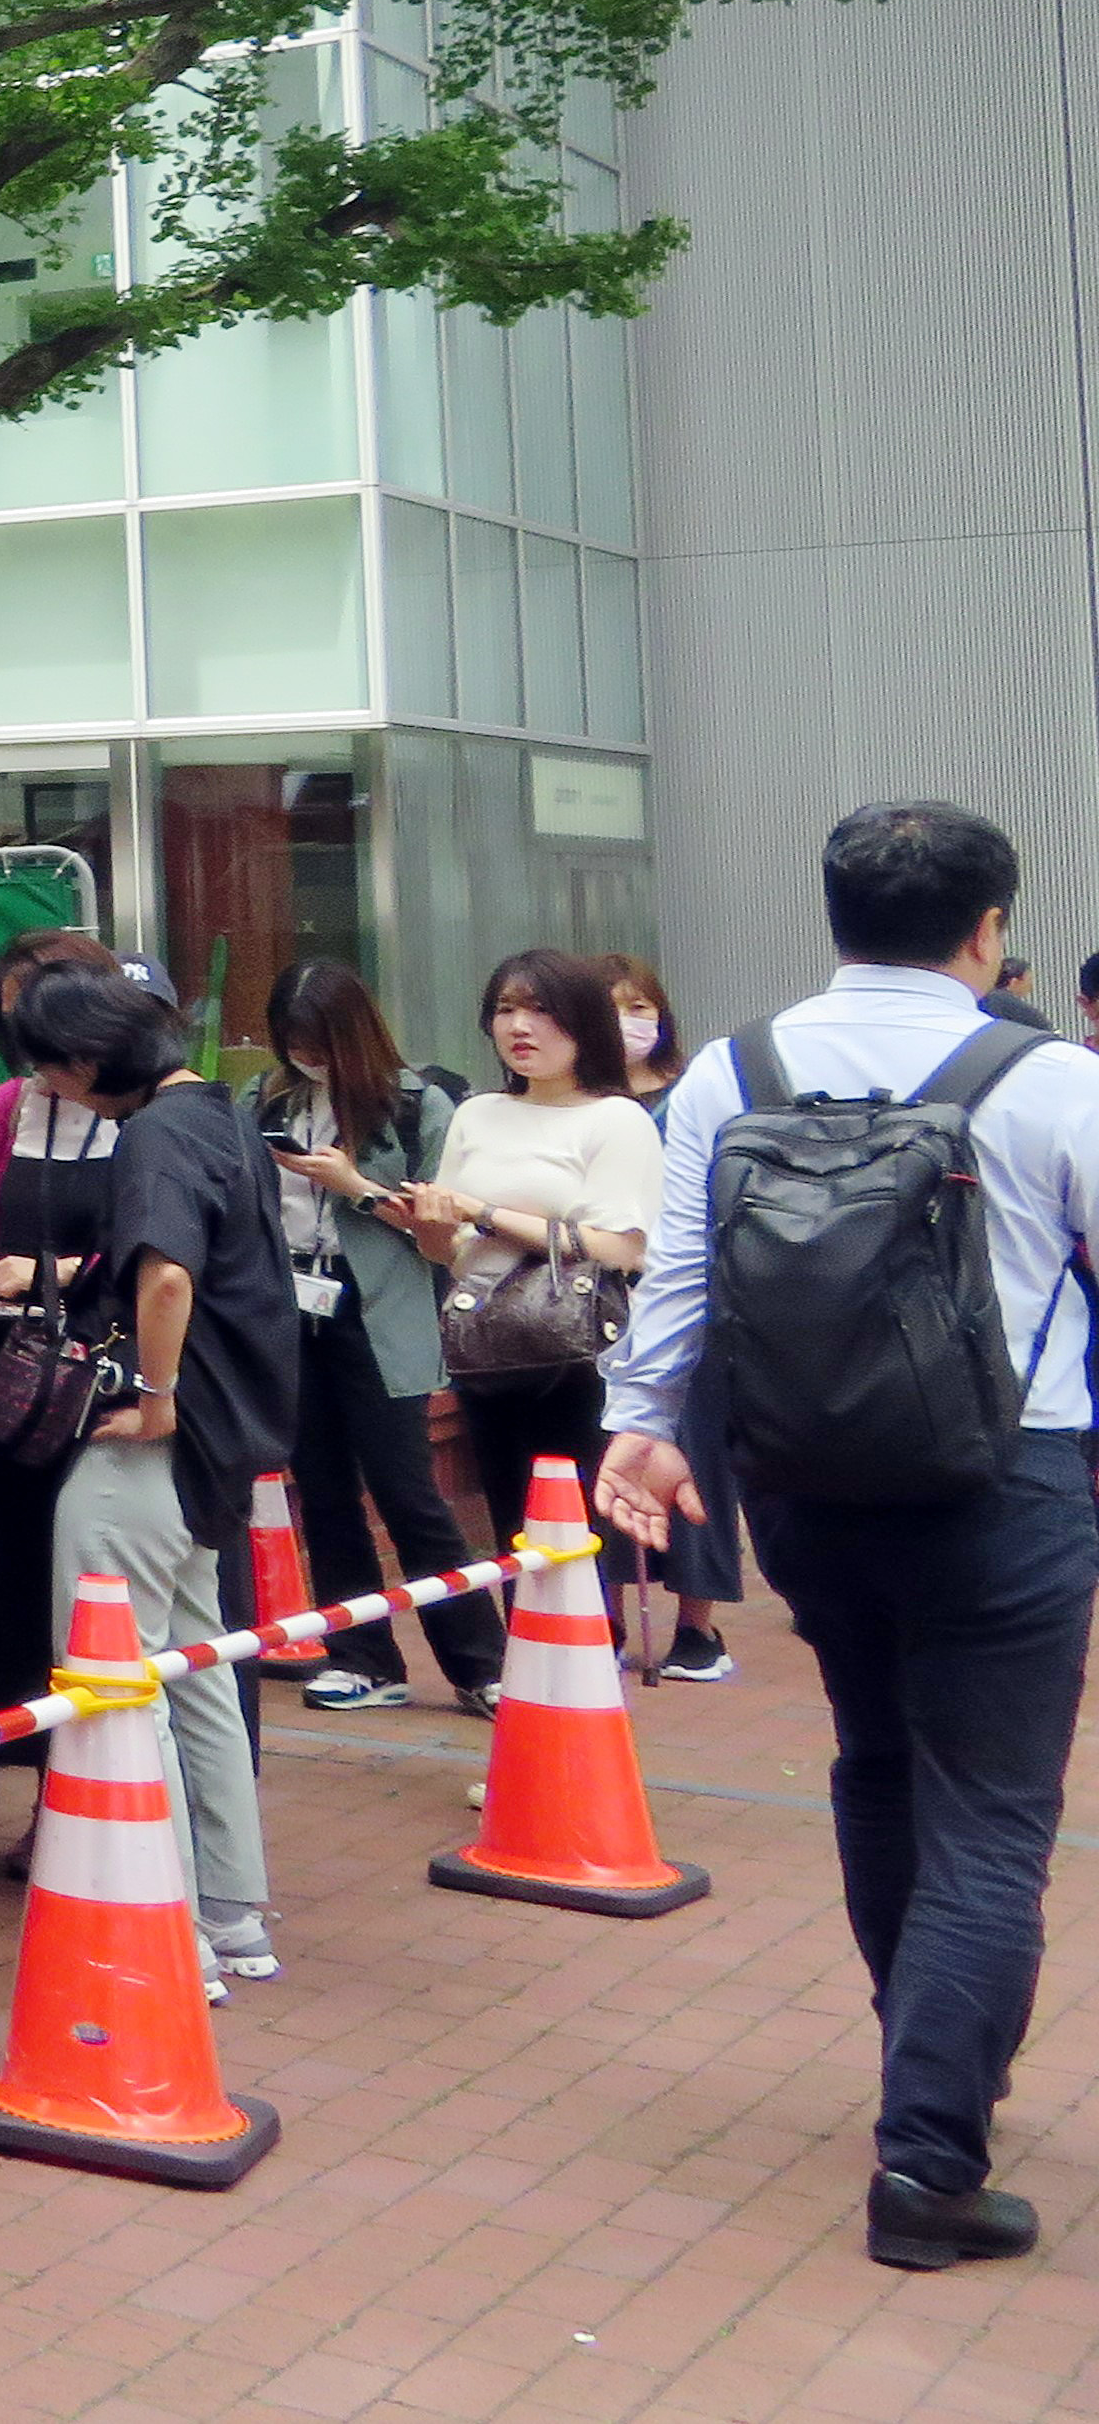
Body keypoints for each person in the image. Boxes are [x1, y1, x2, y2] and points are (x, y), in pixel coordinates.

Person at [599, 802, 1099, 2272]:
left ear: (835, 915)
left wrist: (641, 1421)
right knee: (995, 1812)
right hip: (1005, 1484)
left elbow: (682, 1273)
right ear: (988, 927)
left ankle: (925, 2054)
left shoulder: (735, 1070)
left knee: (878, 1764)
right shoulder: (1053, 1077)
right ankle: (930, 2159)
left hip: (803, 1482)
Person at [7, 957, 288, 1985]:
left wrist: (157, 1394)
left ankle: (164, 1918)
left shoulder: (152, 1138)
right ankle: (230, 1912)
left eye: (49, 1069)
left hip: (150, 1438)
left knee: (117, 1678)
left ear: (88, 1058)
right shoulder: (218, 1115)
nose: (46, 1088)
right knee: (194, 1669)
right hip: (221, 1445)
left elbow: (166, 1271)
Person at [253, 958, 500, 1714]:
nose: (308, 1055)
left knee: (407, 1493)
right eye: (293, 1040)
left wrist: (351, 1185)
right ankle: (362, 1658)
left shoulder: (417, 1103)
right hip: (293, 1305)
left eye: (320, 1039)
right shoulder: (264, 1099)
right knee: (322, 1492)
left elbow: (442, 1220)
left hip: (378, 1308)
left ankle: (479, 1663)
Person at [404, 950, 665, 1609]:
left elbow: (620, 1247)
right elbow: (450, 1251)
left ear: (582, 1023)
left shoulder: (616, 1118)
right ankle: (534, 1669)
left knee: (575, 1525)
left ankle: (591, 1662)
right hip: (486, 1346)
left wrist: (487, 1213)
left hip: (578, 1354)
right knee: (511, 1528)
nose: (520, 1026)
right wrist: (431, 1221)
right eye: (505, 1010)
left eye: (541, 1010)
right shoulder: (476, 1113)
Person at [0, 925, 136, 1723]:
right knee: (13, 1546)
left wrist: (49, 1274)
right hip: (18, 1371)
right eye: (15, 1022)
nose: (31, 1044)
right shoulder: (11, 1106)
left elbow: (148, 1258)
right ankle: (13, 1716)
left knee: (86, 1558)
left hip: (109, 1372)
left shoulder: (140, 1112)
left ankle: (87, 1745)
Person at [598, 953, 747, 1681]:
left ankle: (698, 1628)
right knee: (612, 1455)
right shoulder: (580, 1104)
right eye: (612, 1010)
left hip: (694, 1306)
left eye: (641, 1009)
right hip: (596, 1307)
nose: (629, 1025)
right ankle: (607, 1621)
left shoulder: (694, 1097)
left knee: (701, 1463)